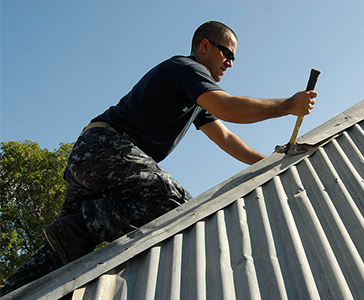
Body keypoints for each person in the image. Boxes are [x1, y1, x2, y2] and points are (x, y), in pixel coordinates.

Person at [1, 20, 317, 295]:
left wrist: (267, 161)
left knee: (61, 252)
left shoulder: (193, 95)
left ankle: (13, 289)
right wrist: (287, 105)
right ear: (204, 46)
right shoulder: (187, 68)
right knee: (178, 207)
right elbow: (230, 108)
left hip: (91, 158)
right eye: (227, 53)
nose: (231, 63)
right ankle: (85, 223)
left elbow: (225, 136)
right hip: (108, 148)